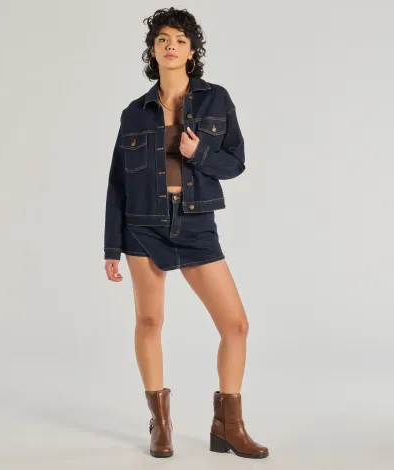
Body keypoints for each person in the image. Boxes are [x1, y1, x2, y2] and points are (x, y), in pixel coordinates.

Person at [103, 7, 269, 460]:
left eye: (179, 39)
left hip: (196, 223)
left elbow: (235, 163)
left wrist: (200, 154)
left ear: (192, 51)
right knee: (150, 322)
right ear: (153, 51)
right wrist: (111, 246)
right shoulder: (134, 113)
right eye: (162, 39)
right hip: (143, 226)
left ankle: (227, 425)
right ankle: (160, 424)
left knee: (235, 324)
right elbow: (117, 183)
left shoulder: (217, 100)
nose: (170, 45)